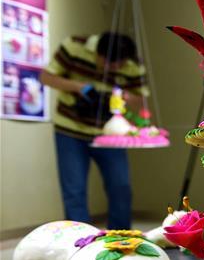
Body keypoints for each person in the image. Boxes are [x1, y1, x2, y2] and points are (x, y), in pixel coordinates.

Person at [40, 32, 147, 229]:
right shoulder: (73, 46)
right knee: (74, 191)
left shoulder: (132, 64)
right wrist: (78, 87)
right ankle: (81, 242)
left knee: (120, 187)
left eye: (117, 66)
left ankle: (121, 238)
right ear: (98, 52)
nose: (111, 69)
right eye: (107, 63)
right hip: (70, 130)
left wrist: (125, 97)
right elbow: (46, 77)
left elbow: (142, 99)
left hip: (109, 134)